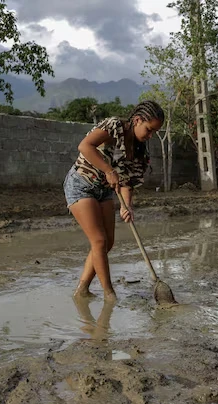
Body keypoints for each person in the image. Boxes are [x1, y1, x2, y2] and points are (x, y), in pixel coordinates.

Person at [63, 100, 164, 301]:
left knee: (107, 243)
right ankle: (110, 295)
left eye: (154, 132)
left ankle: (82, 289)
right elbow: (85, 146)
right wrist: (108, 170)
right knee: (99, 241)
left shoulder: (139, 150)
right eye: (149, 129)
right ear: (137, 120)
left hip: (105, 191)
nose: (150, 136)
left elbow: (127, 182)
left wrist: (127, 206)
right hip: (81, 183)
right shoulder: (114, 126)